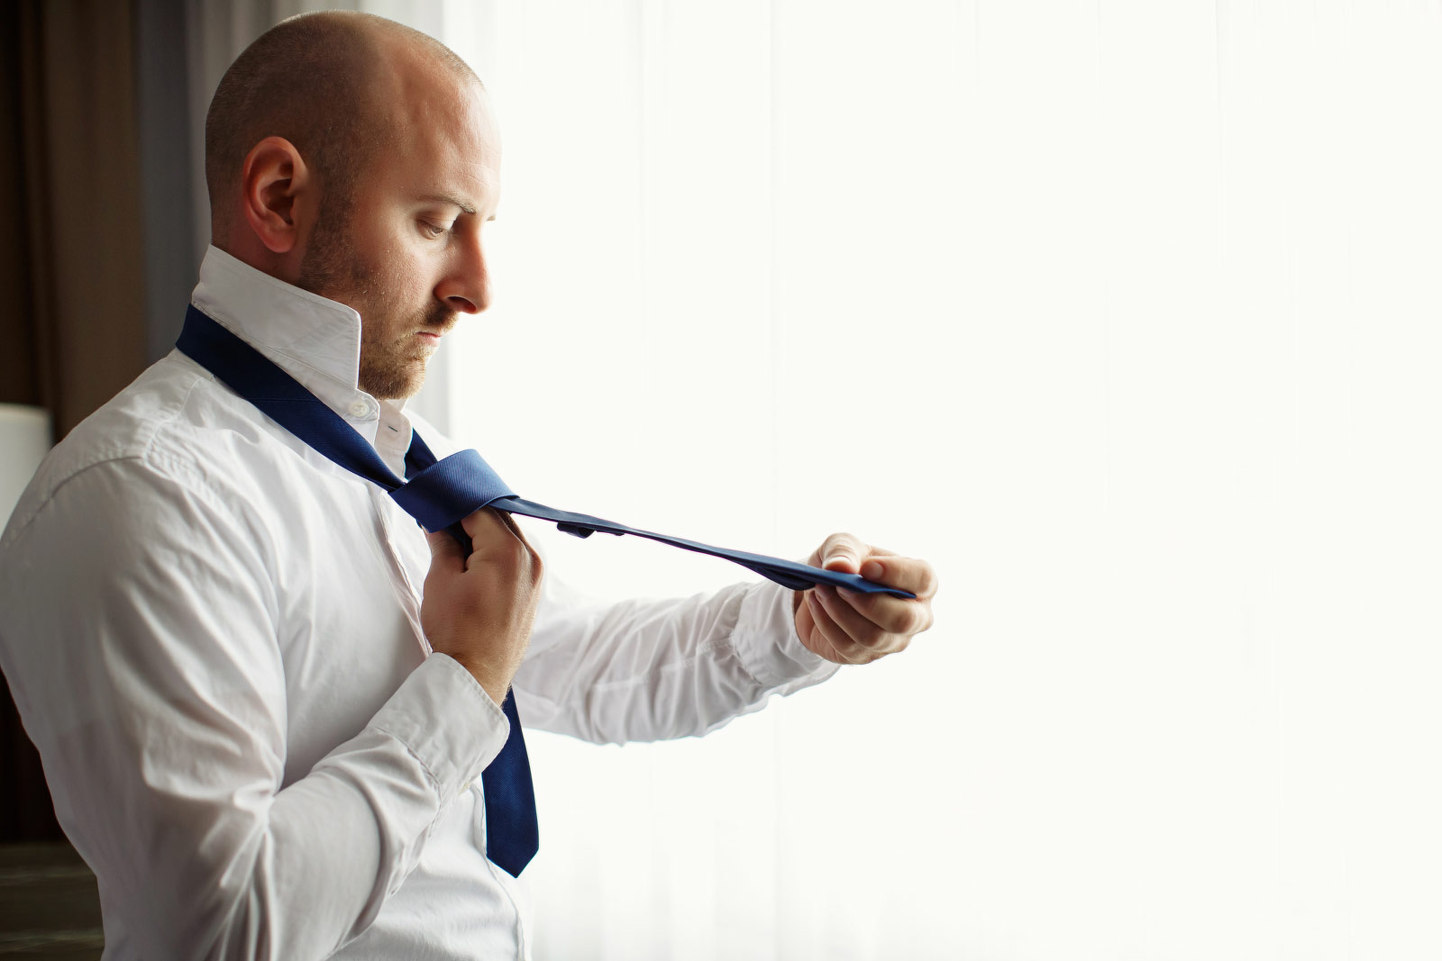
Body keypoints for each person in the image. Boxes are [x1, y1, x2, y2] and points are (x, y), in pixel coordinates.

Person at [0, 11, 936, 960]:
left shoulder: (410, 461)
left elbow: (589, 665)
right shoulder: (137, 499)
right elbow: (218, 930)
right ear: (279, 197)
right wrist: (461, 685)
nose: (479, 289)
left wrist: (799, 623)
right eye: (438, 223)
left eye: (482, 228)